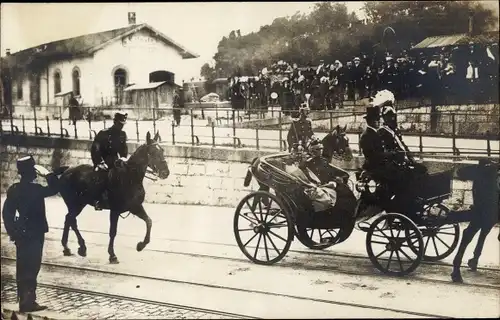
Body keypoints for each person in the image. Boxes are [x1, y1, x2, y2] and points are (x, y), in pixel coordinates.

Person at [2, 156, 60, 313]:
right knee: (33, 267)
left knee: (22, 267)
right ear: (33, 172)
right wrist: (47, 174)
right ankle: (29, 302)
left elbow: (7, 213)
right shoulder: (37, 190)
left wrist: (13, 232)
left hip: (21, 233)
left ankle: (24, 300)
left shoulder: (14, 189)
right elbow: (55, 188)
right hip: (36, 234)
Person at [90, 111, 128, 210]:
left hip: (116, 160)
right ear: (114, 122)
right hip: (103, 161)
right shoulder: (103, 133)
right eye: (120, 124)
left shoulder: (122, 134)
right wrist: (99, 163)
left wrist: (123, 158)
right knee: (102, 176)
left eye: (123, 124)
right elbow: (95, 149)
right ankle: (98, 200)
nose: (121, 126)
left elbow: (124, 149)